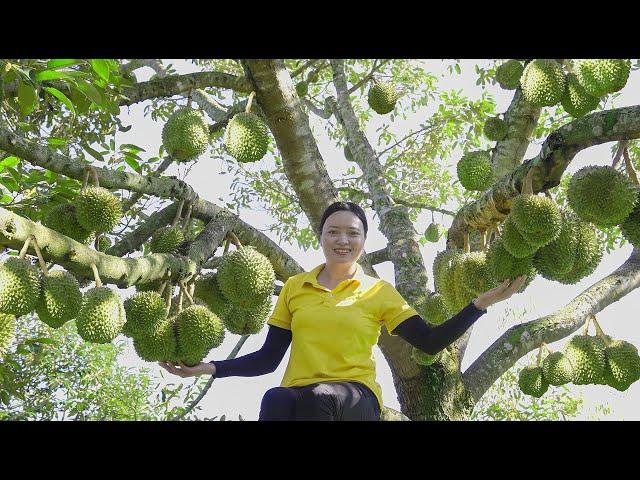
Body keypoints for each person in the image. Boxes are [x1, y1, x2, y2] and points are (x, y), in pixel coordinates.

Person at [159, 201, 525, 421]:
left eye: (352, 234)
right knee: (274, 398)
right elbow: (268, 360)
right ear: (321, 237)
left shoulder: (378, 291)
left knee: (322, 397)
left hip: (355, 399)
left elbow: (428, 342)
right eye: (334, 232)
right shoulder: (295, 288)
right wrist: (206, 368)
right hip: (300, 396)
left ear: (363, 242)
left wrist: (480, 304)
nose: (343, 241)